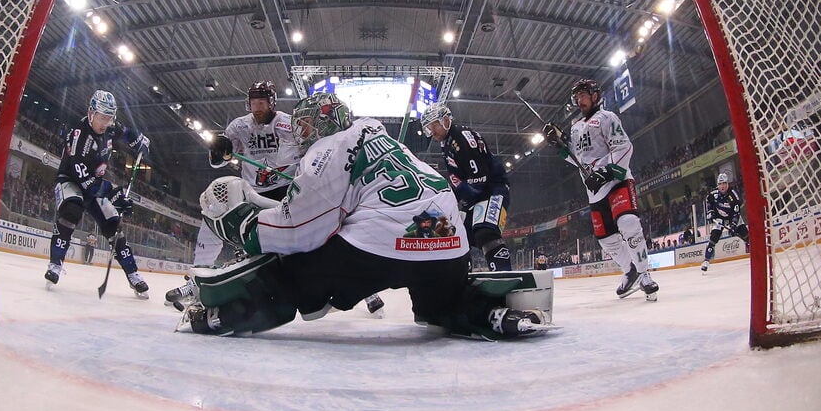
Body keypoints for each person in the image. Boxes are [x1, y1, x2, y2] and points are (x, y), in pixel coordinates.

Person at [191, 92, 549, 339]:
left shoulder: (325, 151)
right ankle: (491, 314)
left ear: (322, 122)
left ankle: (223, 315)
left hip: (383, 247)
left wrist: (246, 228)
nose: (300, 135)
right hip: (446, 238)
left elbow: (300, 231)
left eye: (304, 126)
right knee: (439, 304)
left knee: (291, 276)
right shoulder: (377, 133)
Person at [163, 81, 385, 316]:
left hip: (289, 189)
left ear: (272, 103)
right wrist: (219, 151)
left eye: (262, 102)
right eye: (253, 103)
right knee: (212, 215)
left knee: (322, 234)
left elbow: (315, 149)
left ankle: (365, 290)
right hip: (251, 192)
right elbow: (218, 161)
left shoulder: (289, 123)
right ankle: (197, 277)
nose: (257, 107)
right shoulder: (238, 127)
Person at [542, 79, 659, 300]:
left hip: (617, 181)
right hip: (595, 191)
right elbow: (577, 159)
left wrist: (606, 172)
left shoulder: (607, 118)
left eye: (583, 95)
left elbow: (624, 146)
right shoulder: (576, 128)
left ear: (595, 96)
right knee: (606, 239)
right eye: (576, 97)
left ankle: (644, 274)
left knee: (628, 223)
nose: (579, 100)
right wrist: (558, 145)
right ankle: (630, 271)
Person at [44, 90, 151, 297]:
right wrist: (114, 194)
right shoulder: (79, 137)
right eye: (102, 117)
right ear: (91, 113)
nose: (106, 122)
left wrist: (139, 141)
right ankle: (55, 264)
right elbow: (86, 182)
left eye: (110, 118)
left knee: (113, 227)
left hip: (94, 183)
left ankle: (133, 275)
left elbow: (127, 132)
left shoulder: (110, 127)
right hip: (71, 181)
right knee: (72, 210)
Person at [420, 103, 513, 271]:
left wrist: (457, 202)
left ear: (446, 121)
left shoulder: (462, 138)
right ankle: (461, 274)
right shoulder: (447, 141)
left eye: (434, 126)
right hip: (473, 195)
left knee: (485, 231)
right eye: (428, 128)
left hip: (491, 191)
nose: (431, 132)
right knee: (451, 233)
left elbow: (479, 180)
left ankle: (503, 274)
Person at [701, 173, 749, 272]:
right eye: (720, 184)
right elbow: (708, 201)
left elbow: (736, 213)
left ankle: (751, 247)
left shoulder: (733, 196)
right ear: (718, 185)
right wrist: (710, 212)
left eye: (724, 183)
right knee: (713, 238)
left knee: (745, 234)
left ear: (728, 184)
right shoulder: (713, 194)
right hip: (720, 218)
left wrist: (733, 225)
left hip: (732, 217)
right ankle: (706, 261)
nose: (722, 186)